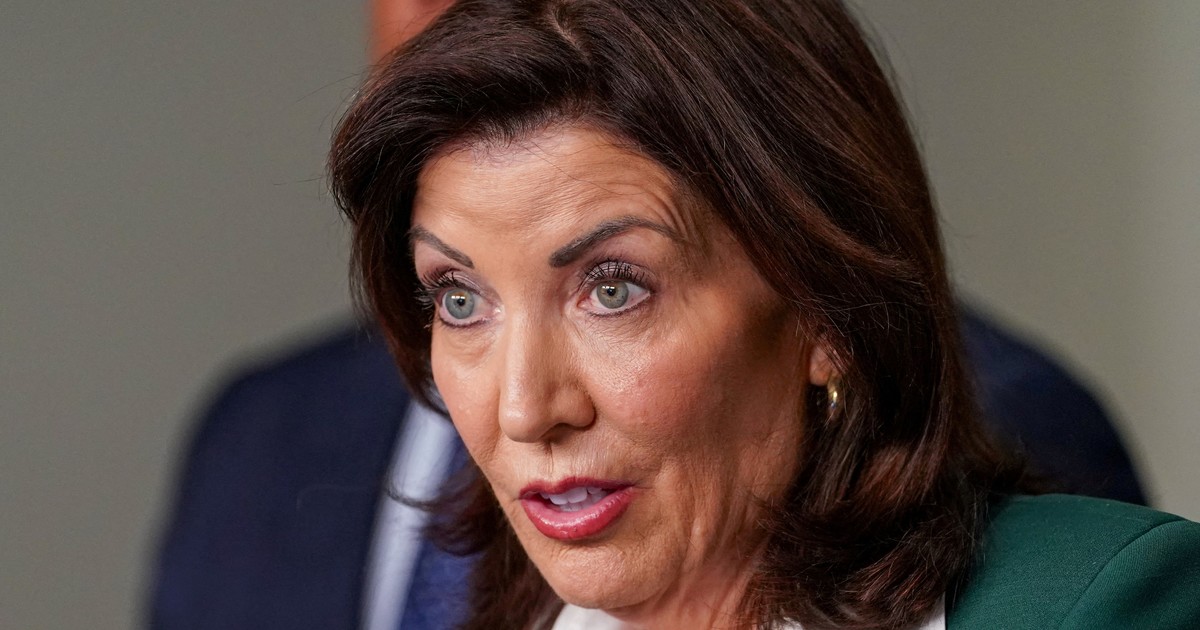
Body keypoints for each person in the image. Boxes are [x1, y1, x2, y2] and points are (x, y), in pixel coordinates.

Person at [323, 0, 1200, 628]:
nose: (523, 408)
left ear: (825, 311)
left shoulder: (1103, 602)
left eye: (614, 288)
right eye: (461, 299)